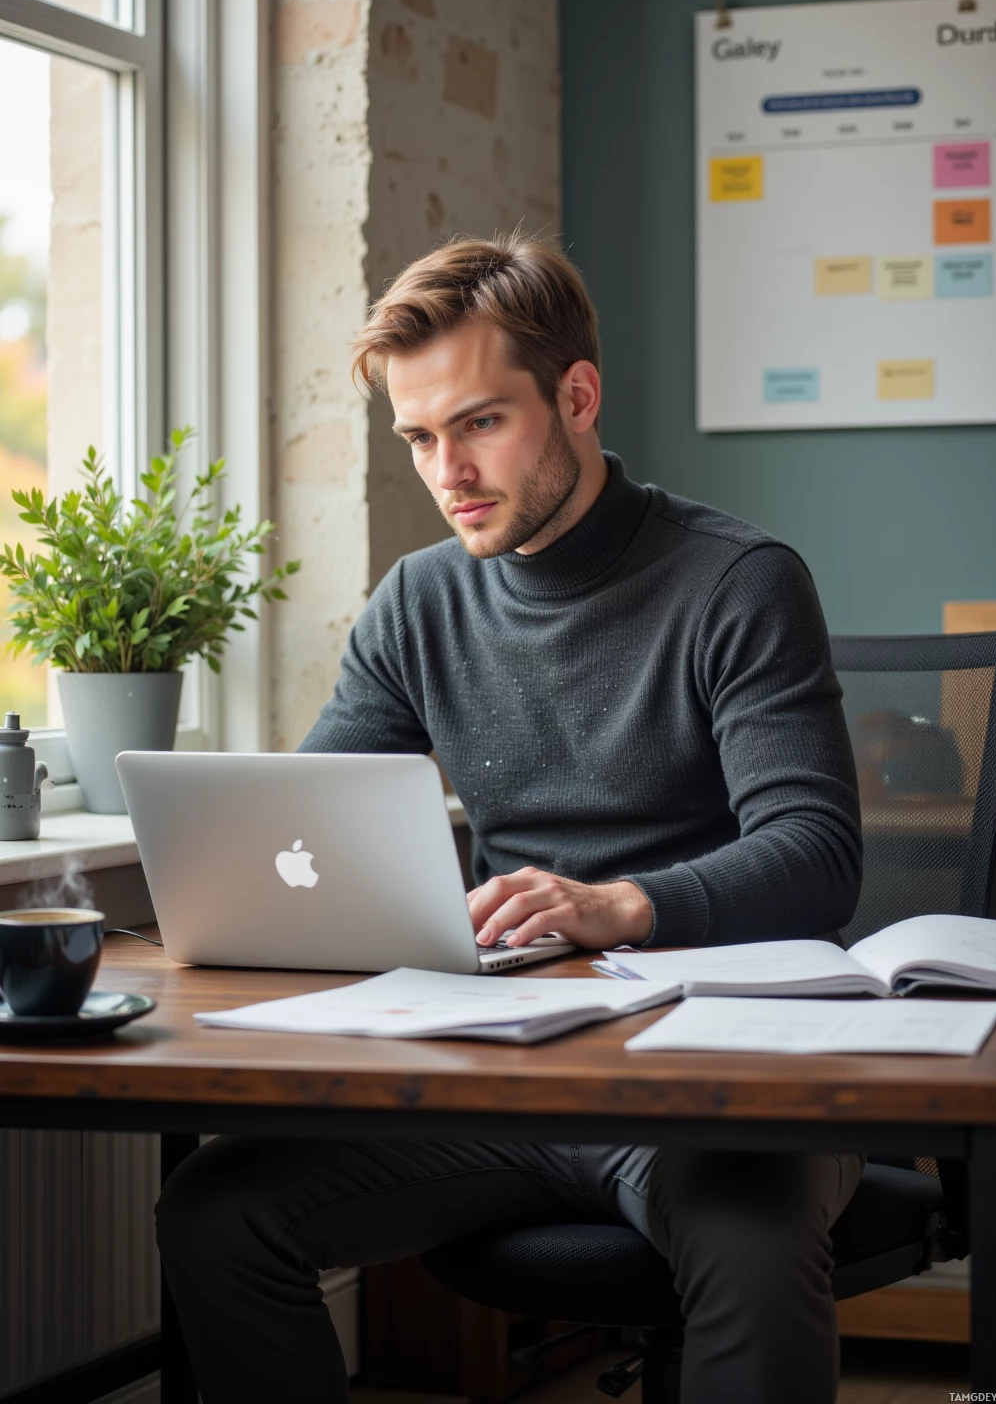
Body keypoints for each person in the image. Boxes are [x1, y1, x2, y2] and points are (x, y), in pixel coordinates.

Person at [157, 233, 863, 1404]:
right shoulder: (419, 602)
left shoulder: (737, 581)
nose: (448, 471)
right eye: (420, 438)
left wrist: (618, 906)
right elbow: (306, 825)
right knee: (218, 1210)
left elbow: (817, 856)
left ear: (576, 397)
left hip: (712, 1076)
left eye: (480, 423)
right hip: (495, 1074)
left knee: (750, 1238)